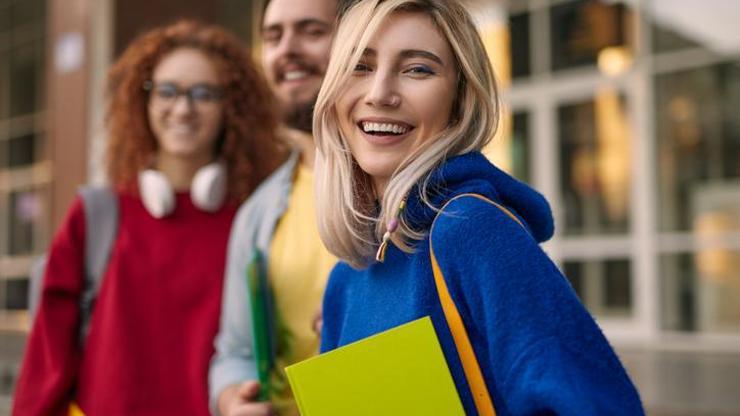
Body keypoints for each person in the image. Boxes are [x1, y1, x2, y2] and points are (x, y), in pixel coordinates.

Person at [313, 0, 645, 414]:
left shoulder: (469, 229)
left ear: (461, 99)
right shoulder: (345, 279)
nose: (380, 93)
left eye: (418, 69)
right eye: (360, 67)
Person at [12, 20, 282, 416]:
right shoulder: (97, 215)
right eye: (166, 91)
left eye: (203, 94)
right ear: (145, 102)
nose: (183, 108)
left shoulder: (256, 218)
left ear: (231, 106)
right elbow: (46, 363)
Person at [208, 0, 344, 415]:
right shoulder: (257, 213)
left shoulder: (407, 191)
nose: (287, 49)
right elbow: (234, 352)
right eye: (273, 36)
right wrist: (233, 398)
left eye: (311, 31)